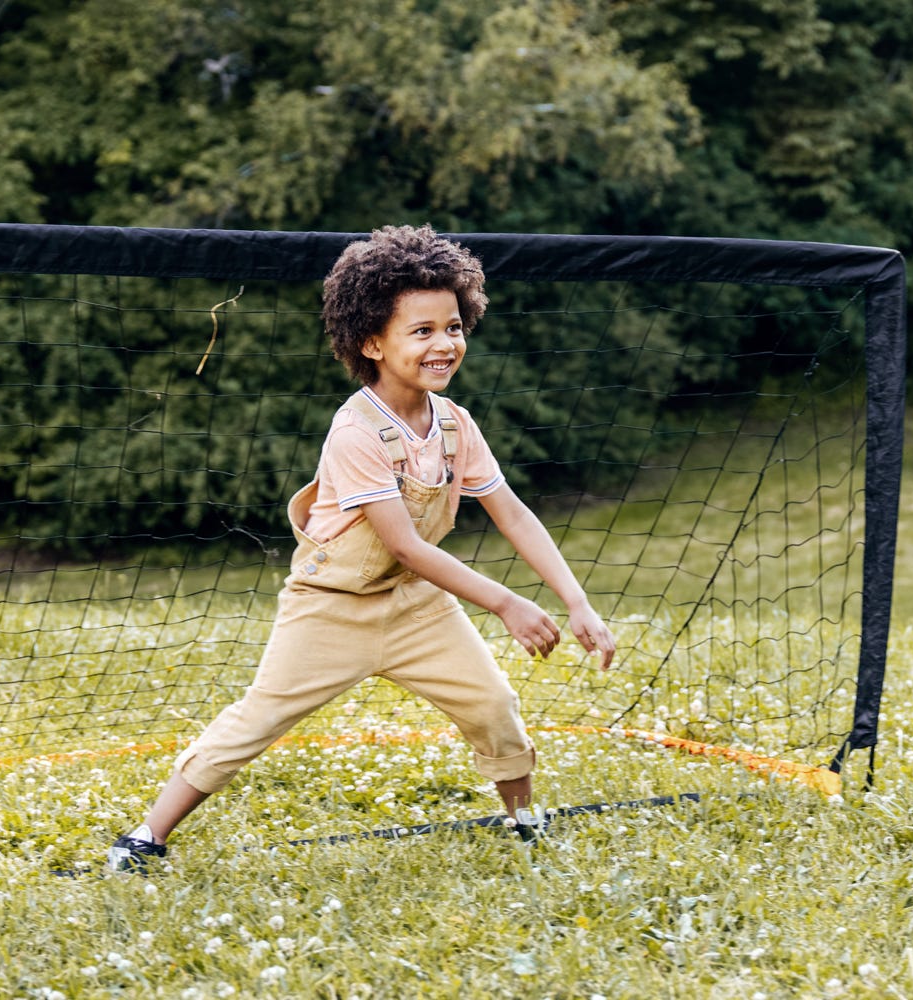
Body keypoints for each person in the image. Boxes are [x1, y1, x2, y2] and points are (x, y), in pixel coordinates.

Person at [109, 224, 617, 871]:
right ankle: (145, 837)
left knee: (492, 704)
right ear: (372, 342)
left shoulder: (456, 425)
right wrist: (507, 603)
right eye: (422, 330)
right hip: (331, 607)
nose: (444, 343)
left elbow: (511, 513)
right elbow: (403, 543)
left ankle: (523, 820)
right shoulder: (356, 433)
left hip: (417, 606)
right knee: (258, 720)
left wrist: (576, 602)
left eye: (453, 326)